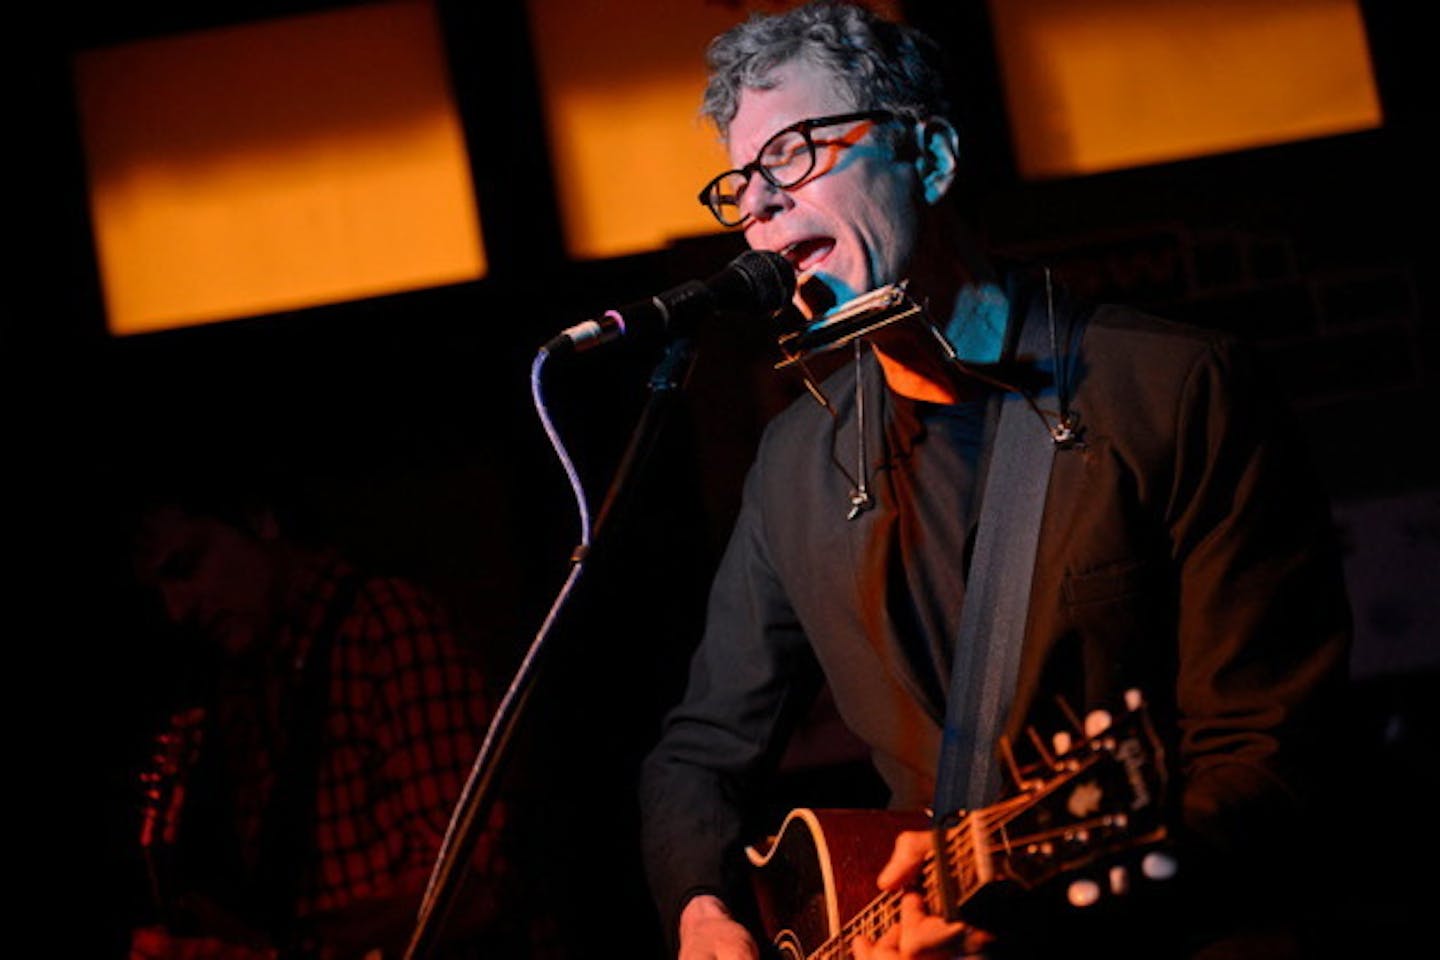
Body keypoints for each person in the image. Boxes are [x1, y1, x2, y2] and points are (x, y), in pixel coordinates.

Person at [638, 3, 1352, 960]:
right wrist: (703, 911)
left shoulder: (1173, 389)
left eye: (796, 156)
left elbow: (1269, 753)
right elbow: (698, 758)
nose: (760, 204)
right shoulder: (796, 465)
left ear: (929, 159)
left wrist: (1024, 901)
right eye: (744, 183)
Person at [123, 474, 513, 960]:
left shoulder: (384, 626)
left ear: (259, 518)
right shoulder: (245, 680)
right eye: (157, 594)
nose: (176, 611)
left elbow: (474, 889)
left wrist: (296, 949)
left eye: (186, 566)